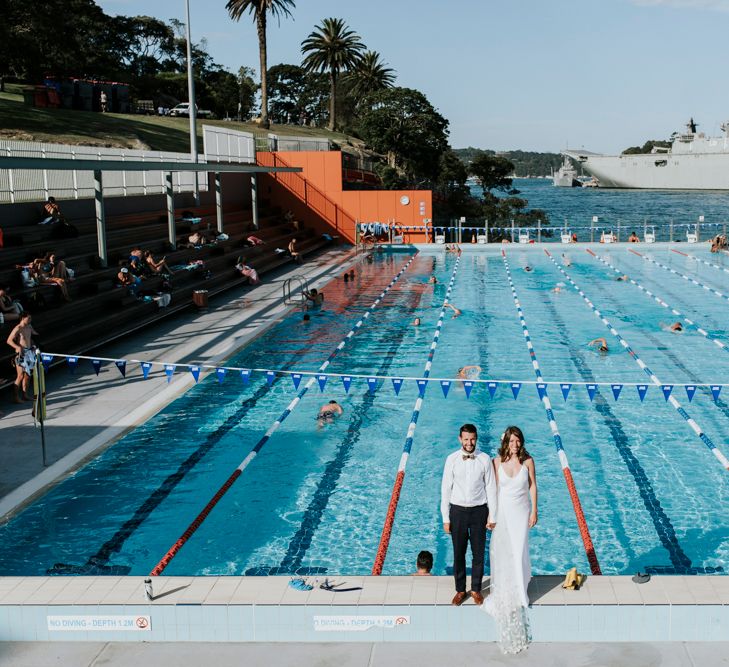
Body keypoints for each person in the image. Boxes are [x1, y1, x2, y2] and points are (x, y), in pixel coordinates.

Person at [483, 426, 537, 654]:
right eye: (511, 441)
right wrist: (490, 514)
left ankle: (521, 589)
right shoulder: (496, 462)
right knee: (505, 552)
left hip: (521, 511)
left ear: (521, 442)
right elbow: (492, 491)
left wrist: (535, 511)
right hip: (504, 513)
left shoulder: (528, 461)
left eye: (518, 441)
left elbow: (533, 485)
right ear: (506, 442)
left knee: (520, 549)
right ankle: (509, 589)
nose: (515, 445)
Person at [441, 423, 498, 607]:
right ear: (460, 439)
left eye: (472, 439)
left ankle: (475, 589)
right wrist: (445, 518)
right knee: (459, 553)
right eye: (466, 439)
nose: (469, 442)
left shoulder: (485, 459)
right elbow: (445, 490)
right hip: (457, 511)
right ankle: (460, 590)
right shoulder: (452, 459)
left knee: (478, 553)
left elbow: (491, 488)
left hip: (479, 511)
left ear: (476, 438)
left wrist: (492, 516)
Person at [6, 313, 38, 403]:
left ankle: (25, 395)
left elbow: (30, 338)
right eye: (29, 318)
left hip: (29, 353)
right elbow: (9, 340)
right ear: (23, 318)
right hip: (20, 355)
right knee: (20, 376)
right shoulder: (18, 328)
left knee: (27, 376)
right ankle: (16, 397)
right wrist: (17, 347)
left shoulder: (29, 327)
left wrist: (33, 345)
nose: (30, 319)